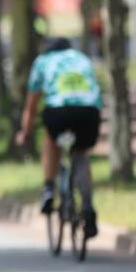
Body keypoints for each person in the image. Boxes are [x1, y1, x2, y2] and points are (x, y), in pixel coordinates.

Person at [15, 37, 103, 238]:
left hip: (60, 111)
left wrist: (25, 133)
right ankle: (87, 206)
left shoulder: (42, 61)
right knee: (80, 153)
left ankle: (48, 188)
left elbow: (31, 107)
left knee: (51, 137)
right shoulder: (82, 58)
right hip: (89, 112)